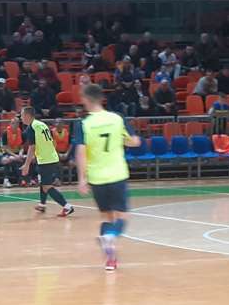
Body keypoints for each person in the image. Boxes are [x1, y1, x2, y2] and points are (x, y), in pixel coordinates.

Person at [73, 84, 142, 271]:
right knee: (122, 216)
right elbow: (135, 142)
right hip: (117, 174)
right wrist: (123, 139)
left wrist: (82, 179)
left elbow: (81, 152)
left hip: (97, 178)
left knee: (106, 217)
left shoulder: (83, 124)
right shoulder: (117, 118)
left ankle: (110, 259)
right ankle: (110, 237)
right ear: (101, 98)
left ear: (85, 100)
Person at [20, 107, 74, 217]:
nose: (21, 118)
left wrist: (26, 165)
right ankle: (42, 205)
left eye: (22, 115)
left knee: (46, 186)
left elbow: (32, 147)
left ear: (27, 115)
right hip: (50, 157)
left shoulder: (31, 128)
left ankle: (67, 206)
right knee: (43, 182)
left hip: (46, 160)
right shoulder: (41, 124)